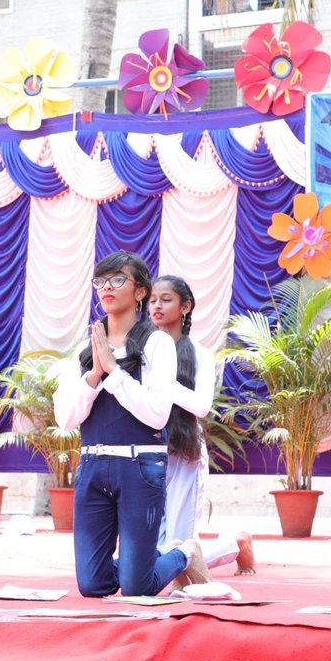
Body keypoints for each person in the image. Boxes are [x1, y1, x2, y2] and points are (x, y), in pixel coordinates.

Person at [54, 252, 211, 598]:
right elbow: (65, 419)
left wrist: (113, 372)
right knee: (92, 585)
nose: (106, 287)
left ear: (140, 291)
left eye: (117, 279)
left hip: (140, 466)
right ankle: (140, 563)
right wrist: (93, 376)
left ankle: (183, 553)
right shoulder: (85, 348)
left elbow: (157, 414)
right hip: (93, 465)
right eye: (100, 281)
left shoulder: (158, 343)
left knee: (137, 587)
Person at [148, 274, 255, 575]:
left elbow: (201, 406)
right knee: (154, 554)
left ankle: (236, 543)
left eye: (165, 299)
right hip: (146, 450)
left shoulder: (200, 355)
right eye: (152, 300)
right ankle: (233, 544)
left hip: (183, 451)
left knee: (177, 550)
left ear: (185, 307)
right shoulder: (141, 352)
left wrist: (162, 380)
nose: (156, 306)